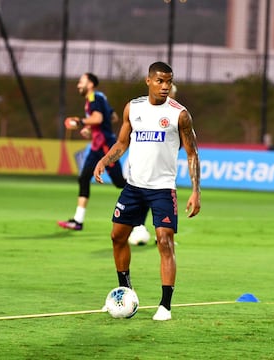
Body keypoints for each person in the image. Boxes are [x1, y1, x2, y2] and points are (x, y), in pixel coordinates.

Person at [93, 61, 201, 320]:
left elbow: (192, 153)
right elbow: (122, 142)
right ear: (149, 81)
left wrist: (196, 190)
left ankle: (165, 305)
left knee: (164, 241)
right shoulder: (134, 107)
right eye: (160, 81)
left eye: (169, 81)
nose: (165, 86)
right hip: (134, 187)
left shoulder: (179, 114)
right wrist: (105, 161)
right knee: (117, 236)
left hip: (162, 189)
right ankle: (125, 291)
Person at [58, 72, 126, 231]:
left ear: (90, 84)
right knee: (83, 178)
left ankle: (144, 201)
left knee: (119, 183)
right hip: (97, 146)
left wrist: (81, 122)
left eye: (81, 82)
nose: (78, 85)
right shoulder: (100, 97)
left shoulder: (93, 98)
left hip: (105, 146)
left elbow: (99, 118)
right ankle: (78, 220)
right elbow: (113, 117)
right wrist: (91, 128)